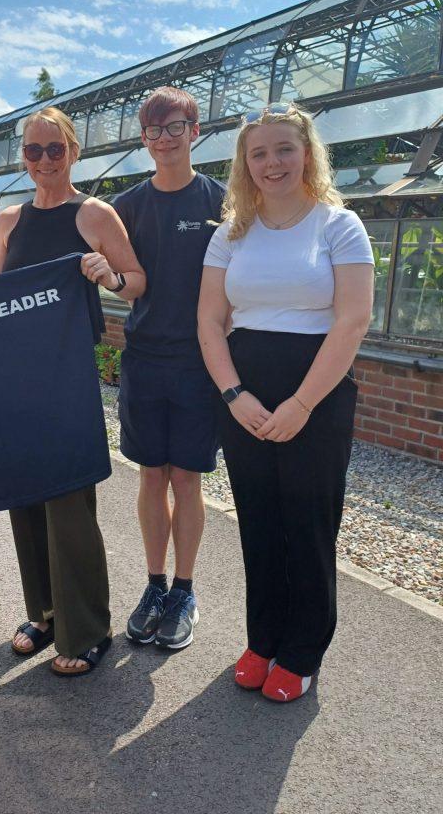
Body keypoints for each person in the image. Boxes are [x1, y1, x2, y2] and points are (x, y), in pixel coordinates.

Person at [198, 102, 374, 703]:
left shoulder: (338, 226)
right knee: (259, 521)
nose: (272, 163)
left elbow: (352, 321)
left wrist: (301, 404)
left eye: (284, 150)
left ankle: (303, 649)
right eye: (259, 153)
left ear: (307, 154)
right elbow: (210, 320)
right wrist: (232, 393)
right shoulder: (230, 234)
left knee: (308, 521)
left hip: (316, 395)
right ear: (245, 164)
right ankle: (263, 638)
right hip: (244, 395)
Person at [0, 106, 146, 676]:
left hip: (69, 381)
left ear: (74, 152)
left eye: (55, 149)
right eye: (33, 151)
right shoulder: (9, 220)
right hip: (19, 380)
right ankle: (46, 611)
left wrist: (109, 276)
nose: (44, 161)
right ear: (23, 157)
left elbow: (137, 283)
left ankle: (89, 627)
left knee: (70, 506)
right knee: (28, 499)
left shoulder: (95, 214)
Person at [113, 86, 224, 651]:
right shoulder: (128, 207)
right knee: (150, 475)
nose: (164, 138)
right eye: (154, 130)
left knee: (187, 477)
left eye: (174, 127)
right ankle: (154, 585)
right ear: (144, 139)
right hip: (144, 358)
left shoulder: (220, 202)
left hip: (200, 363)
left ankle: (184, 590)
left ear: (194, 131)